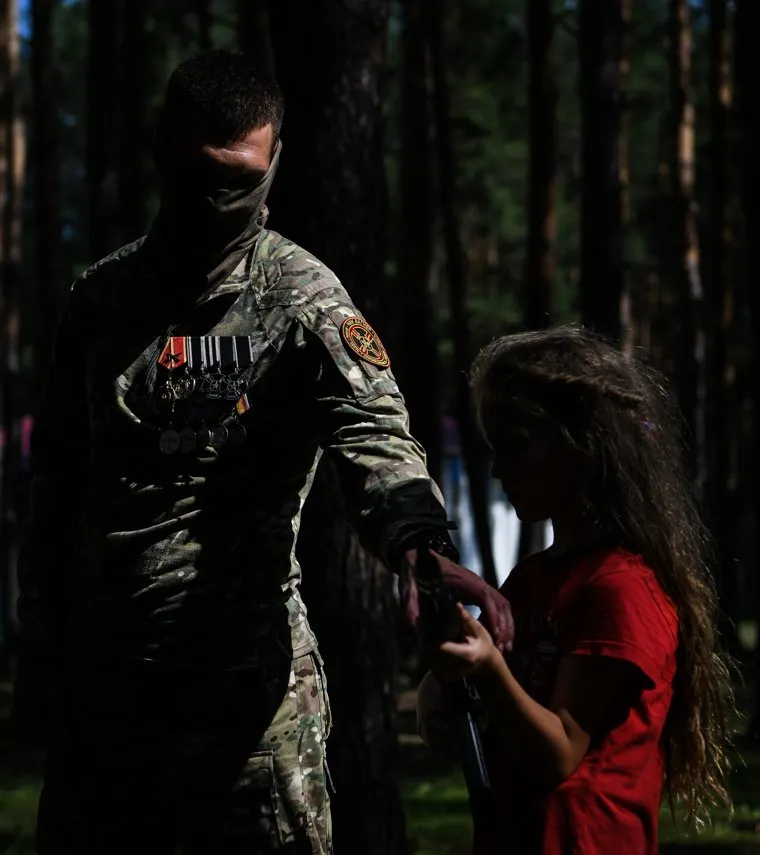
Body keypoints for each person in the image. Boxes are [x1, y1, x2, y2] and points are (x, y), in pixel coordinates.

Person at [11, 50, 513, 855]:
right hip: (103, 706)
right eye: (199, 174)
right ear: (162, 152)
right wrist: (39, 647)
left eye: (239, 181)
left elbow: (375, 435)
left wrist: (420, 549)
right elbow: (58, 488)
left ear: (275, 162)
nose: (218, 202)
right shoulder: (100, 301)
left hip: (245, 716)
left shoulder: (303, 302)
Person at [416, 326, 735, 855]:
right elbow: (503, 714)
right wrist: (441, 685)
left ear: (585, 447)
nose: (497, 470)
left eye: (515, 448)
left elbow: (560, 751)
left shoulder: (622, 589)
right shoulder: (532, 580)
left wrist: (487, 667)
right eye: (493, 450)